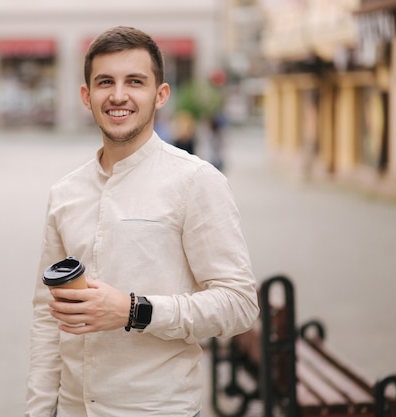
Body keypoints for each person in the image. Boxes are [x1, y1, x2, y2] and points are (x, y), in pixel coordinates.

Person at [26, 26, 259, 417]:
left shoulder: (195, 182)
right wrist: (37, 410)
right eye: (105, 82)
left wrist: (135, 310)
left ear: (160, 95)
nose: (118, 95)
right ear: (87, 96)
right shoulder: (65, 193)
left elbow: (238, 305)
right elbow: (47, 317)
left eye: (135, 81)